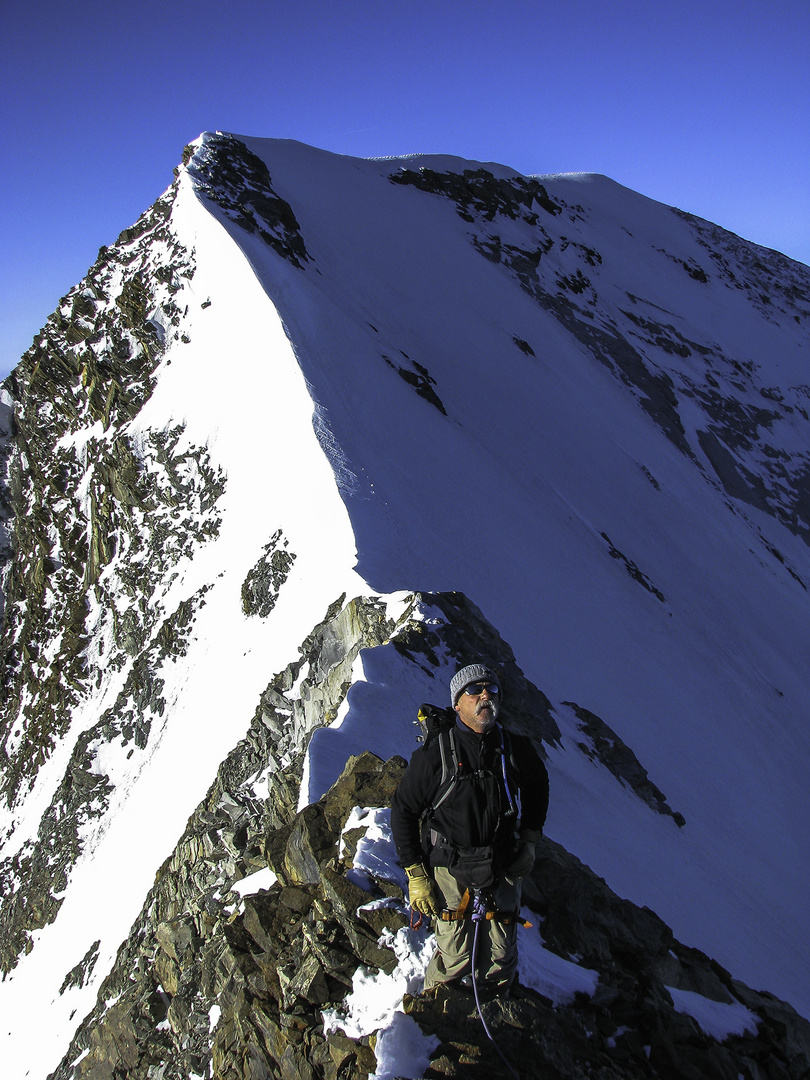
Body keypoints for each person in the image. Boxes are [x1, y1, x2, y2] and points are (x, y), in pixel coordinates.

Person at [391, 663, 549, 997]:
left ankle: (494, 1014)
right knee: (456, 954)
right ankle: (432, 1018)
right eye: (474, 691)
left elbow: (538, 785)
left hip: (503, 859)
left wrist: (530, 839)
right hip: (450, 865)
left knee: (501, 954)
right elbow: (404, 809)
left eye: (492, 690)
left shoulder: (513, 749)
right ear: (456, 704)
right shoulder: (435, 754)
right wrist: (416, 873)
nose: (485, 697)